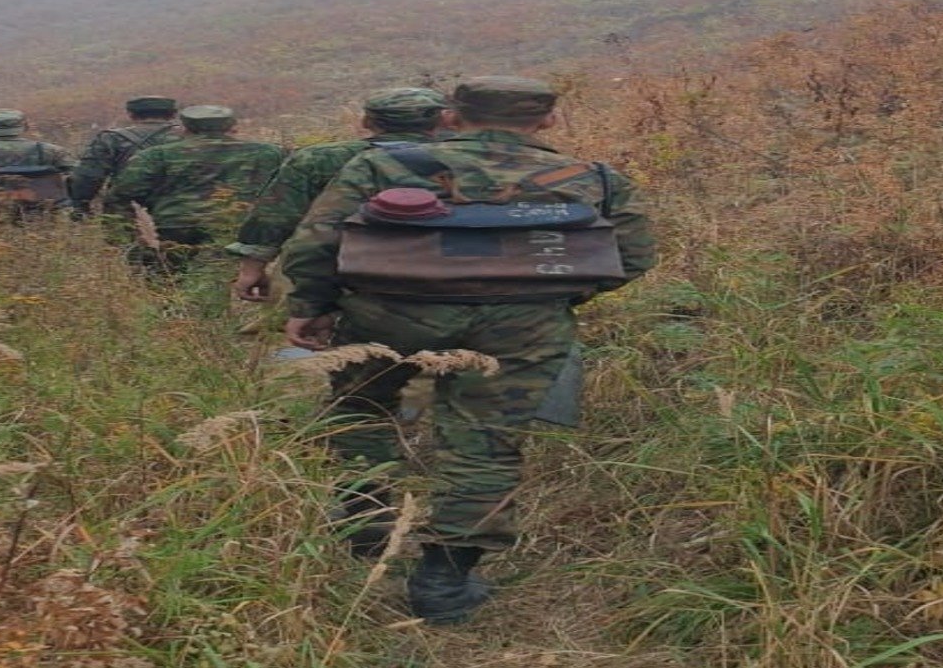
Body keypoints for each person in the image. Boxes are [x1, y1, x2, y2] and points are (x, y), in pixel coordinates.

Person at [278, 76, 656, 624]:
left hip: (387, 311)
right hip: (523, 325)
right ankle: (445, 581)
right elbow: (634, 255)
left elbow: (318, 240)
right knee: (485, 442)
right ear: (547, 122)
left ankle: (367, 523)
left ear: (451, 116)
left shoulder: (378, 166)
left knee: (361, 413)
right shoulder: (594, 178)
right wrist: (554, 296)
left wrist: (312, 304)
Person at [225, 87, 449, 301]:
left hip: (338, 271)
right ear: (442, 121)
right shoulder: (473, 158)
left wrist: (252, 269)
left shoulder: (318, 158)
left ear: (366, 122)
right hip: (450, 269)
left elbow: (275, 216)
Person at [107, 105, 286, 268]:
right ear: (232, 127)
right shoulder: (267, 153)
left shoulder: (155, 155)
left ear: (184, 129)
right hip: (232, 227)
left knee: (165, 286)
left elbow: (122, 195)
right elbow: (284, 194)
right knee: (213, 283)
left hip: (172, 227)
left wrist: (126, 236)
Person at [68, 96, 181, 218]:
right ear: (173, 114)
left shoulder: (111, 138)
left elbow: (89, 176)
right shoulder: (192, 136)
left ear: (130, 114)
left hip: (126, 211)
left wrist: (80, 205)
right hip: (183, 209)